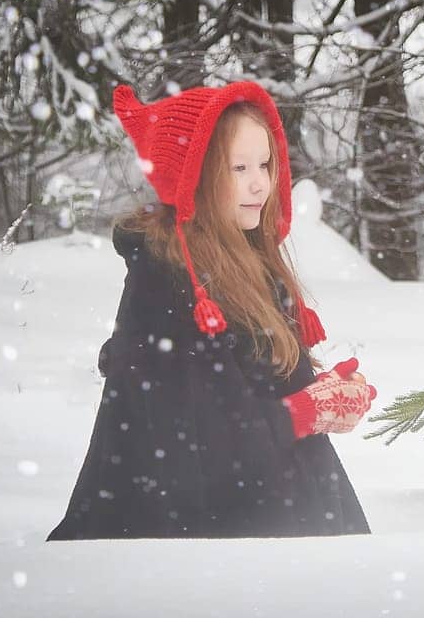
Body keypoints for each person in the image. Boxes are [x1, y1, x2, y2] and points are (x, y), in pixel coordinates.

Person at [49, 81, 373, 539]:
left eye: (265, 164)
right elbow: (192, 443)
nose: (260, 182)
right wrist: (304, 411)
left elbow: (242, 395)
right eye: (239, 167)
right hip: (209, 561)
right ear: (194, 175)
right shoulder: (165, 280)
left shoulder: (249, 260)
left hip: (281, 545)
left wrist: (324, 394)